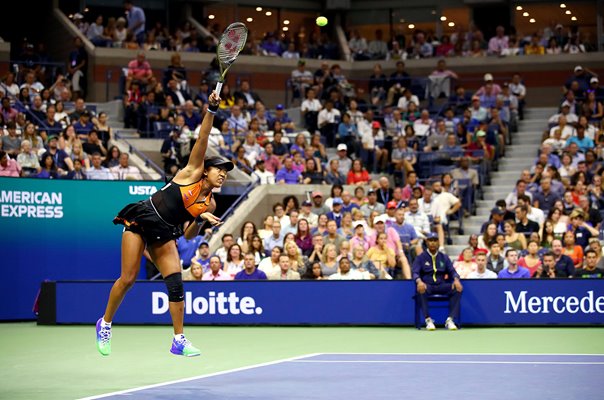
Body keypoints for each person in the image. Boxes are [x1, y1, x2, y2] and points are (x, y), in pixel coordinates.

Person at [97, 91, 226, 357]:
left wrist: (201, 221)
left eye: (226, 173)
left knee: (176, 284)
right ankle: (105, 323)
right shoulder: (192, 171)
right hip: (144, 217)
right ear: (207, 169)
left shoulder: (211, 204)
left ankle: (178, 340)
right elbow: (202, 137)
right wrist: (211, 110)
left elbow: (189, 236)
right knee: (128, 278)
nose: (223, 175)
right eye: (219, 170)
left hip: (166, 232)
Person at [413, 233, 462, 331]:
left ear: (438, 242)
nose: (433, 243)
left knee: (457, 289)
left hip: (441, 285)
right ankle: (428, 320)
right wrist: (419, 281)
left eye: (435, 240)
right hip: (427, 285)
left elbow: (452, 271)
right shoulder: (420, 258)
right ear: (426, 242)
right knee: (420, 290)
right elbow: (415, 272)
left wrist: (456, 280)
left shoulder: (444, 257)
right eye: (430, 240)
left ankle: (450, 320)